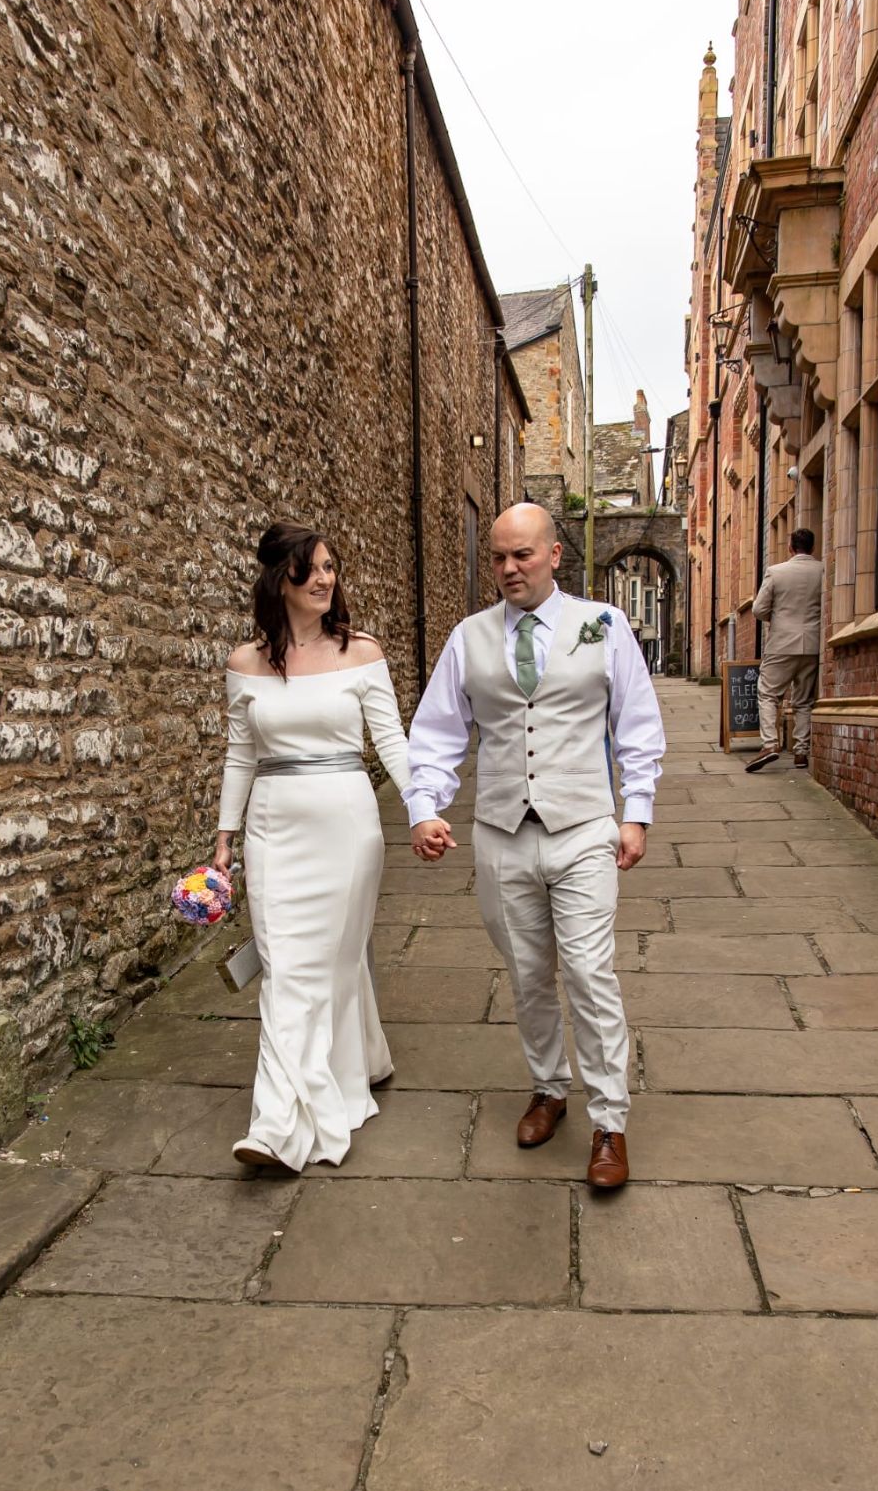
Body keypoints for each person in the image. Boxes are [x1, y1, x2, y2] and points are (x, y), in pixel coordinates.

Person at [406, 504, 665, 1189]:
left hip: (583, 829)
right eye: (497, 557)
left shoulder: (602, 626)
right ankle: (549, 1088)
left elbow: (637, 723)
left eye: (522, 555)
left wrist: (635, 813)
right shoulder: (469, 637)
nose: (509, 569)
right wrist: (423, 807)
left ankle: (610, 1120)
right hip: (500, 833)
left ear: (554, 554)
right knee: (527, 974)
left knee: (588, 972)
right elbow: (436, 733)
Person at [214, 520, 411, 1172]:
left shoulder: (361, 653)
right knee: (286, 967)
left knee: (329, 963)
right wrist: (224, 838)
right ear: (281, 579)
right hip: (273, 827)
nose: (326, 579)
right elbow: (241, 754)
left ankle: (284, 1120)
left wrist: (425, 810)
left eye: (331, 567)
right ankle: (275, 1124)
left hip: (347, 824)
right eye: (313, 569)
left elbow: (390, 741)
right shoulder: (246, 664)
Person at [746, 528, 825, 772]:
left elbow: (759, 610)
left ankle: (770, 744)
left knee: (768, 694)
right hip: (812, 644)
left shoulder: (776, 572)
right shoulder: (823, 570)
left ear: (790, 547)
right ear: (812, 547)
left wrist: (778, 617)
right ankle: (801, 751)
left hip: (781, 643)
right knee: (804, 700)